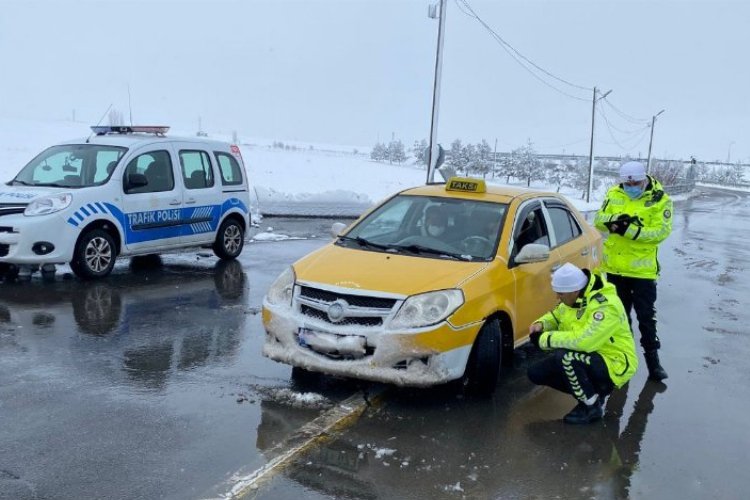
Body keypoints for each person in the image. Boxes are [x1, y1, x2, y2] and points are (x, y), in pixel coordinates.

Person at [527, 263, 638, 424]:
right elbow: (557, 315)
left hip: (614, 361)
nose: (557, 297)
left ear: (575, 290)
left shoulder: (606, 305)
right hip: (589, 358)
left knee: (565, 357)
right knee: (535, 373)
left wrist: (544, 339)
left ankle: (591, 407)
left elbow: (585, 342)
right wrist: (542, 324)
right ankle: (592, 393)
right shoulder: (572, 299)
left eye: (560, 294)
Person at [594, 161, 673, 381]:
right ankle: (624, 359)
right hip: (615, 269)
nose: (631, 186)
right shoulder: (613, 193)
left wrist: (630, 230)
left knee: (646, 319)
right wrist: (614, 222)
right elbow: (598, 220)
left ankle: (653, 363)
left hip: (642, 274)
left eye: (635, 183)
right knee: (620, 318)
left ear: (644, 179)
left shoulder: (660, 200)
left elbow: (660, 232)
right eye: (627, 183)